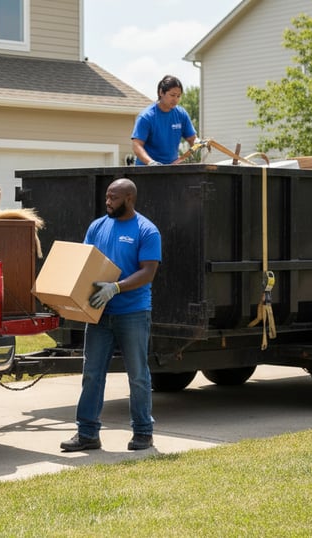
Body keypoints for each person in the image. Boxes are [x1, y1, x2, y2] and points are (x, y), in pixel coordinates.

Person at [60, 178, 162, 452]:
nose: (108, 202)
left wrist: (115, 288)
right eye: (107, 197)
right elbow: (86, 263)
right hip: (99, 313)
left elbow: (148, 271)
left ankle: (143, 432)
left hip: (133, 312)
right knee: (92, 373)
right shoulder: (97, 226)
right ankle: (87, 434)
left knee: (138, 375)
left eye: (113, 198)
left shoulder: (146, 230)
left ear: (129, 198)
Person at [131, 75, 198, 166]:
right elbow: (137, 145)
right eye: (172, 95)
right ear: (161, 92)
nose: (176, 99)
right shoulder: (146, 117)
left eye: (178, 96)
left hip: (171, 169)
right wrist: (151, 163)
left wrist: (199, 143)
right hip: (147, 171)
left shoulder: (181, 114)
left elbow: (192, 139)